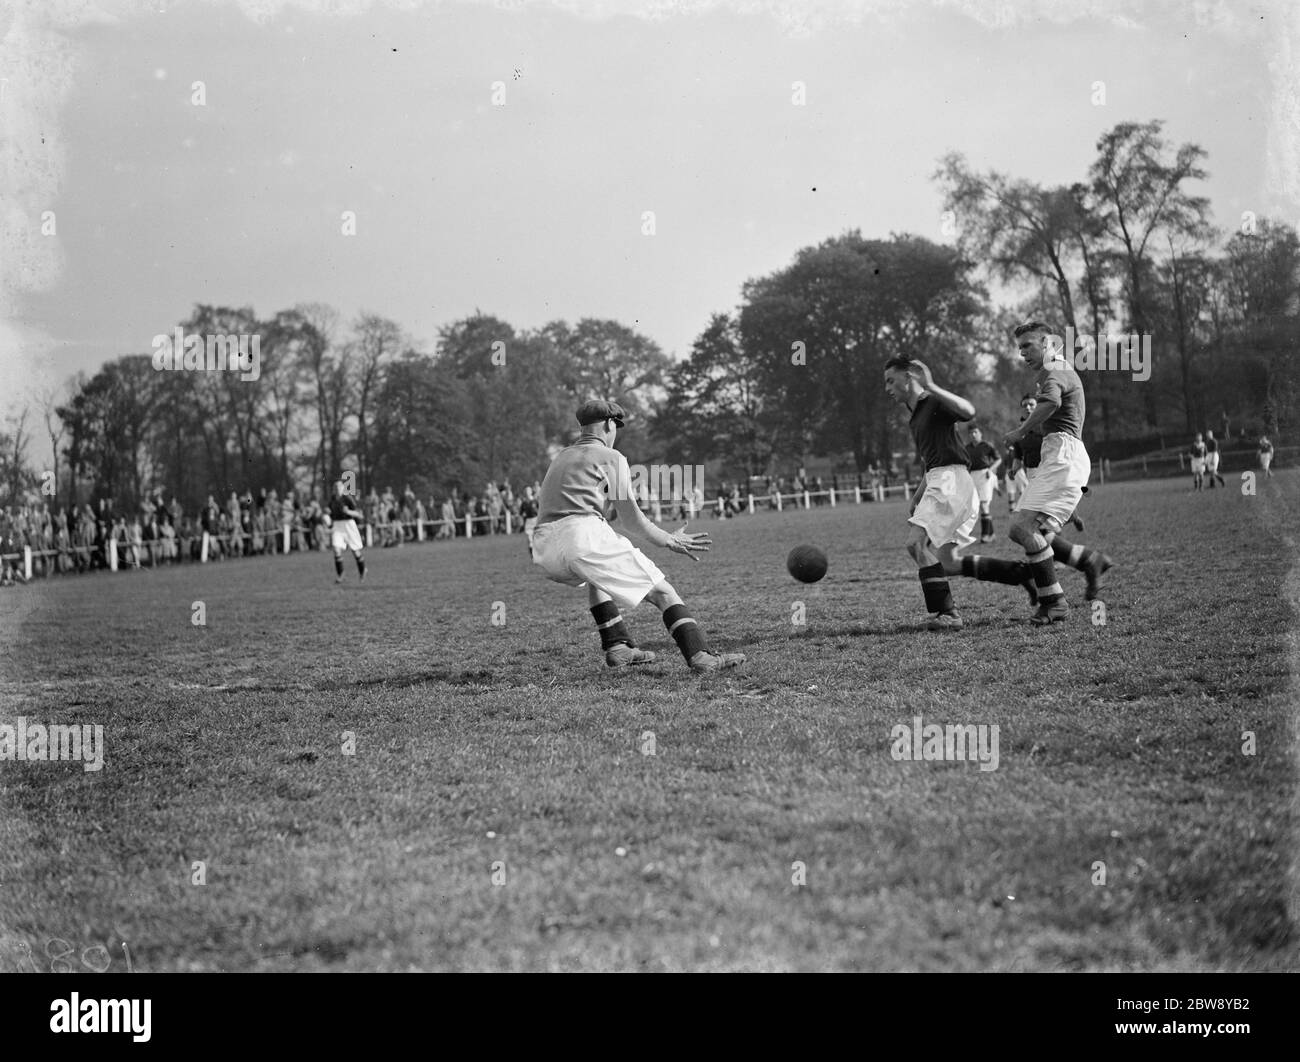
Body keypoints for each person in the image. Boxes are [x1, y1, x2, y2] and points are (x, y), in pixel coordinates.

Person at [531, 399, 745, 673]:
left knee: (595, 576)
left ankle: (617, 646)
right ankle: (701, 656)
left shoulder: (560, 456)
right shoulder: (612, 457)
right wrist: (669, 539)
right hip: (580, 536)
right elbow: (633, 521)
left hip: (543, 547)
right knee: (663, 592)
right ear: (610, 424)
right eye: (616, 426)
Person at [883, 357, 1039, 630]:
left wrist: (931, 385)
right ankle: (1023, 573)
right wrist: (919, 494)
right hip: (944, 481)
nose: (887, 388)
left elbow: (969, 411)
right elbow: (930, 461)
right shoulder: (915, 417)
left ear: (909, 378)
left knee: (915, 544)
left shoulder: (931, 401)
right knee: (949, 563)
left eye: (891, 380)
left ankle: (949, 615)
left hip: (951, 482)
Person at [1003, 322, 1113, 625]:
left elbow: (1051, 403)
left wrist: (1020, 431)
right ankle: (1086, 565)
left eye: (1027, 345)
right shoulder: (1055, 372)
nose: (1022, 353)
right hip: (1060, 456)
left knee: (1023, 528)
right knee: (1028, 529)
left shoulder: (1054, 371)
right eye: (1020, 347)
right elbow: (1052, 412)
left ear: (1049, 343)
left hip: (1064, 457)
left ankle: (1055, 602)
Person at [966, 426, 1002, 543]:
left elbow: (998, 459)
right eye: (971, 432)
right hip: (972, 476)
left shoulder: (987, 445)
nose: (973, 434)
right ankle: (991, 534)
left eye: (975, 432)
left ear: (980, 433)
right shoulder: (967, 448)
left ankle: (985, 535)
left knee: (984, 504)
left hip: (985, 474)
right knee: (977, 506)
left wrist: (990, 470)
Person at [328, 478, 367, 584]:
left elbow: (359, 514)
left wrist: (348, 511)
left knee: (355, 551)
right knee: (336, 549)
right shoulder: (332, 500)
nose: (337, 489)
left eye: (339, 487)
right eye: (335, 487)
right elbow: (330, 514)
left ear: (343, 488)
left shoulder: (347, 499)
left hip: (348, 524)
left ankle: (362, 571)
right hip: (337, 525)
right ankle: (341, 575)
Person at [519, 485, 540, 557]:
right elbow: (521, 513)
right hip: (528, 521)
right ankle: (532, 555)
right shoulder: (524, 503)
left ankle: (538, 552)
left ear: (531, 491)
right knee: (529, 538)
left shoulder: (535, 501)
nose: (527, 492)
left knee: (537, 537)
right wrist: (522, 516)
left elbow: (539, 509)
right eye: (526, 491)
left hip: (535, 520)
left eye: (528, 490)